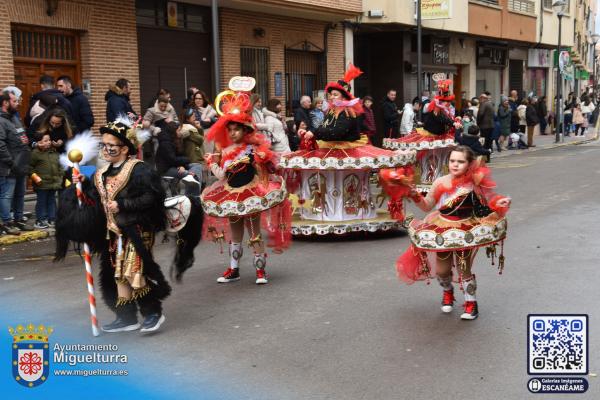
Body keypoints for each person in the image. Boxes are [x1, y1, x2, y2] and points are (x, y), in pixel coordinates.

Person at [58, 120, 172, 333]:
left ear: (125, 148)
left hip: (136, 230)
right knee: (115, 275)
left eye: (111, 145)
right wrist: (82, 182)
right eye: (103, 144)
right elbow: (94, 197)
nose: (106, 149)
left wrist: (123, 204)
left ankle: (153, 313)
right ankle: (126, 317)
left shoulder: (140, 170)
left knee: (134, 272)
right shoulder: (101, 174)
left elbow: (152, 197)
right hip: (112, 233)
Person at [382, 145, 510, 320]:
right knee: (442, 271)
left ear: (469, 164)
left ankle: (471, 303)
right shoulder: (440, 182)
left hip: (467, 229)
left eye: (460, 161)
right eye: (452, 161)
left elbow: (485, 206)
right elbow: (427, 205)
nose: (455, 165)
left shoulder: (474, 183)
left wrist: (499, 203)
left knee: (464, 267)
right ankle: (447, 290)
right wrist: (414, 195)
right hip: (441, 228)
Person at [202, 87, 291, 284]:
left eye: (237, 129)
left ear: (245, 130)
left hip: (252, 193)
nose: (233, 133)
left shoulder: (253, 148)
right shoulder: (224, 151)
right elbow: (222, 175)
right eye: (230, 130)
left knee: (254, 233)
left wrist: (266, 160)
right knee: (235, 234)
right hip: (230, 194)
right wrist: (213, 162)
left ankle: (260, 271)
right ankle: (234, 270)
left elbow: (267, 167)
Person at [0, 91, 29, 235]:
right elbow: (1, 144)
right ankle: (6, 222)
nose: (18, 103)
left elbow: (22, 136)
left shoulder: (14, 118)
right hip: (8, 167)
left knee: (20, 194)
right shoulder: (1, 120)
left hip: (21, 165)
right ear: (5, 103)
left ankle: (18, 219)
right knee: (7, 195)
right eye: (14, 101)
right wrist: (11, 162)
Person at [29, 132, 62, 229]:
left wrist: (60, 175)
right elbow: (29, 167)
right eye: (45, 141)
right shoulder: (35, 153)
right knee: (42, 202)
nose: (48, 142)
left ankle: (52, 219)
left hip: (53, 183)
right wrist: (35, 178)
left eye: (49, 140)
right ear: (39, 142)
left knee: (52, 201)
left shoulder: (54, 152)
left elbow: (59, 165)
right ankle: (40, 220)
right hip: (41, 184)